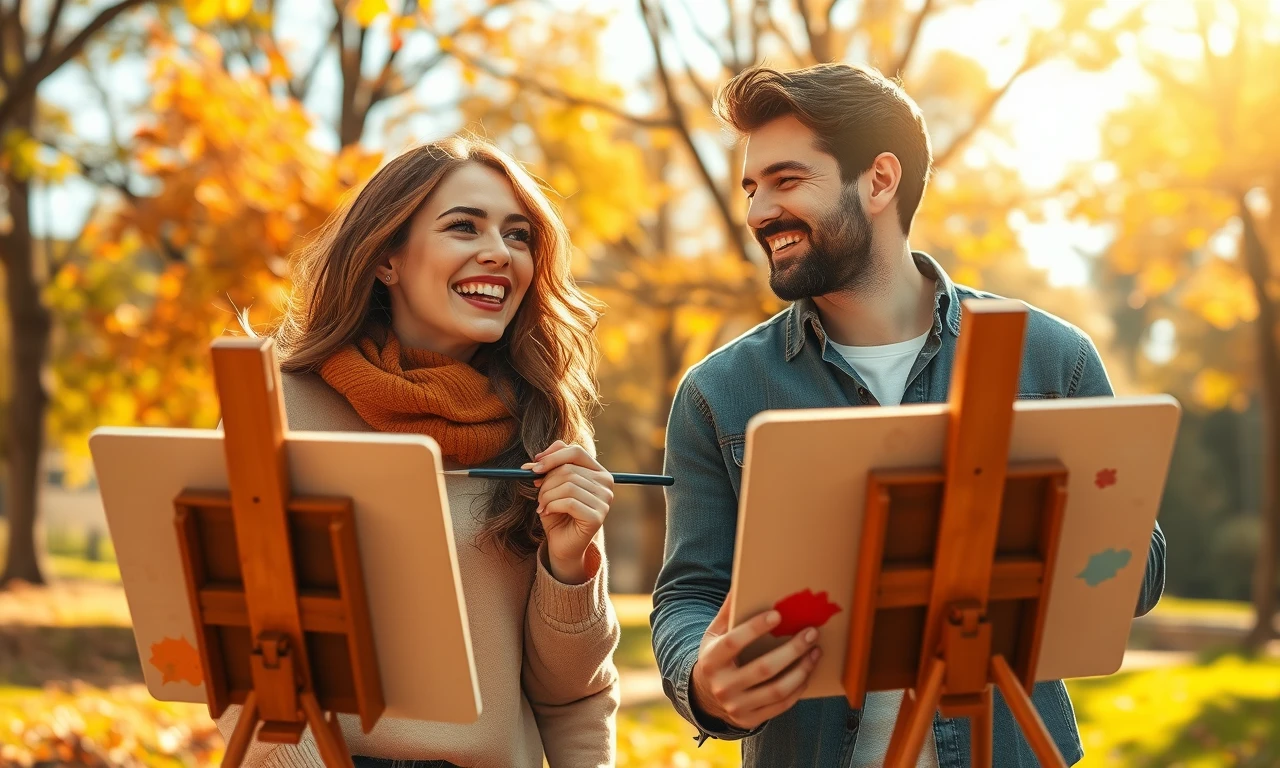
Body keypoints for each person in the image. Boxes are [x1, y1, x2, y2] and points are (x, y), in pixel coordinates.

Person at [650, 63, 1166, 767]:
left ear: (880, 180)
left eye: (787, 180)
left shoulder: (1052, 360)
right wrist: (703, 684)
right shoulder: (719, 392)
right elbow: (689, 592)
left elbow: (1136, 576)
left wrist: (1040, 504)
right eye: (751, 186)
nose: (757, 211)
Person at [217, 136, 621, 768]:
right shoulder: (274, 407)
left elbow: (572, 696)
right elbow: (240, 652)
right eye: (464, 227)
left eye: (519, 236)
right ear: (387, 258)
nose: (499, 253)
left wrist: (569, 565)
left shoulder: (550, 428)